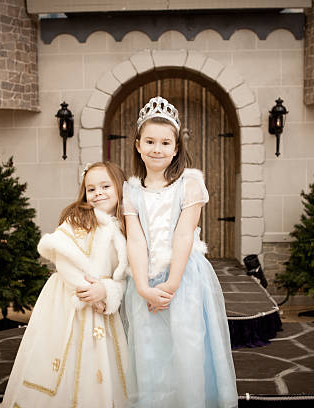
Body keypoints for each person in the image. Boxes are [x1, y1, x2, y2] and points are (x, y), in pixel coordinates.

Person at [123, 96, 238, 407]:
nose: (156, 149)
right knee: (150, 350)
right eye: (149, 141)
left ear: (175, 148)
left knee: (186, 348)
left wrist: (171, 285)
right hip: (144, 281)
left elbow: (184, 234)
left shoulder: (190, 183)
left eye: (164, 142)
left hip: (183, 279)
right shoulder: (131, 190)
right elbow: (135, 240)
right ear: (138, 145)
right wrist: (145, 288)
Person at [0, 162, 129, 408]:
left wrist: (106, 293)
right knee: (61, 358)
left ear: (120, 188)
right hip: (70, 300)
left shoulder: (124, 228)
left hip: (101, 307)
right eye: (91, 189)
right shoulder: (78, 218)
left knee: (99, 362)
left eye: (105, 186)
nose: (98, 193)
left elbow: (122, 277)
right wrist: (87, 291)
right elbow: (64, 259)